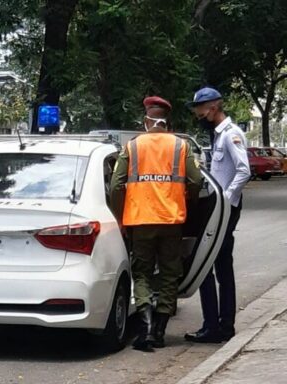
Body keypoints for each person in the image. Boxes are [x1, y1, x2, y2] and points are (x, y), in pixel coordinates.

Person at [110, 96, 202, 351]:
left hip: (140, 220)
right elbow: (196, 182)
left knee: (142, 274)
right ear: (167, 121)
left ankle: (147, 330)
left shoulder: (133, 146)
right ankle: (160, 330)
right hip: (171, 219)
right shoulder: (181, 146)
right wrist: (187, 202)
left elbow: (116, 185)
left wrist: (120, 217)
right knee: (170, 273)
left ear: (146, 121)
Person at [184, 87, 250, 343]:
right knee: (221, 266)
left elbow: (244, 171)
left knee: (206, 265)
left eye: (200, 109)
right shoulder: (217, 135)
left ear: (212, 108)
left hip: (224, 211)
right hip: (219, 210)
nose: (198, 114)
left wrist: (226, 201)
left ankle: (215, 327)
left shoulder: (230, 135)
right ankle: (222, 326)